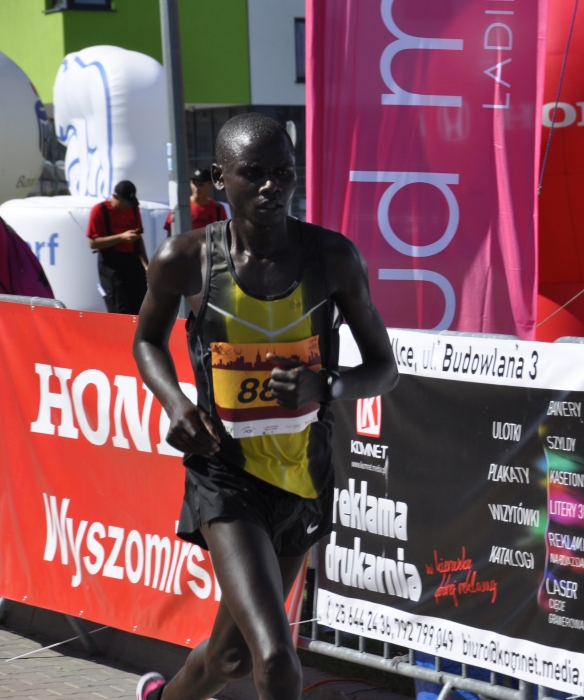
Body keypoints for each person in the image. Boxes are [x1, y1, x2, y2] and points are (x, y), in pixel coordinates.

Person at [132, 113, 398, 700]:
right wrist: (176, 403)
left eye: (284, 172)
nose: (272, 186)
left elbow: (385, 368)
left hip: (302, 474)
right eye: (253, 173)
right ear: (219, 178)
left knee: (230, 656)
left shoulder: (333, 258)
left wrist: (325, 385)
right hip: (225, 474)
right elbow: (146, 341)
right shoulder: (186, 258)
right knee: (276, 660)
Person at [86, 180, 148, 314]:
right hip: (111, 265)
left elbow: (139, 238)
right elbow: (93, 243)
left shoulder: (133, 208)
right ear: (115, 196)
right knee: (120, 307)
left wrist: (146, 264)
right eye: (124, 203)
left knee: (142, 306)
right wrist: (121, 237)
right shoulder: (99, 210)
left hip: (133, 261)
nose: (127, 207)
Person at [163, 168, 227, 235]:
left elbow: (224, 234)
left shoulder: (218, 208)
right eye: (194, 183)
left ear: (210, 185)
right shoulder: (179, 207)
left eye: (201, 185)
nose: (196, 188)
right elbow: (170, 234)